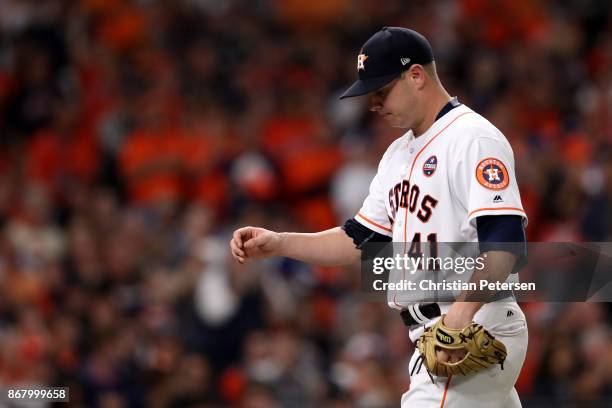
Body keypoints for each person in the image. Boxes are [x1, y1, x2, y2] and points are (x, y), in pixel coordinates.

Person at [230, 27, 528, 408]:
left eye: (381, 91)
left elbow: (504, 242)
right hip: (436, 331)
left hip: (472, 324)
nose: (373, 103)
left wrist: (461, 313)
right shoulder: (396, 155)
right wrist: (281, 242)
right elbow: (359, 239)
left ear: (416, 76)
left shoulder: (472, 138)